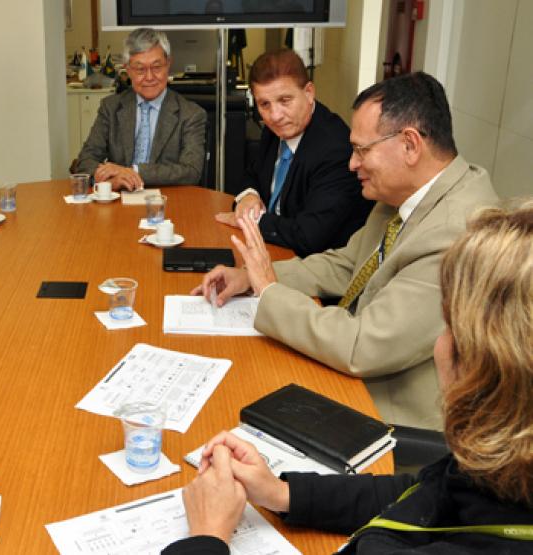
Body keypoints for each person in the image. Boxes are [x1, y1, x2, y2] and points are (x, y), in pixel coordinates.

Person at [167, 200, 533, 554]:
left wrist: (207, 537)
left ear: (494, 373)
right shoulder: (503, 473)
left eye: (450, 329)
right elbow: (423, 493)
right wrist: (281, 493)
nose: (439, 344)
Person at [193, 72, 499, 429]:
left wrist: (270, 292)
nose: (352, 163)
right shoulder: (404, 196)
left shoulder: (456, 233)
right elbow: (347, 264)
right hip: (359, 375)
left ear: (410, 145)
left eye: (361, 150)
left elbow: (362, 345)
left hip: (393, 414)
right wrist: (251, 277)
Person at [215, 49, 373, 257]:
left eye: (285, 100)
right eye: (264, 104)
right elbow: (253, 174)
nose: (275, 115)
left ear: (309, 93)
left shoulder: (336, 150)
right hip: (273, 249)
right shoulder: (278, 128)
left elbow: (309, 235)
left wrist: (251, 219)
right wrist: (249, 197)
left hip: (319, 266)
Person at [73, 28, 207, 191]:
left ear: (168, 64)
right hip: (118, 201)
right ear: (128, 69)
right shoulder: (111, 108)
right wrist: (112, 181)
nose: (149, 77)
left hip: (169, 202)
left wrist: (133, 171)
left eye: (156, 67)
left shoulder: (191, 114)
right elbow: (85, 161)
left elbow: (191, 171)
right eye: (140, 69)